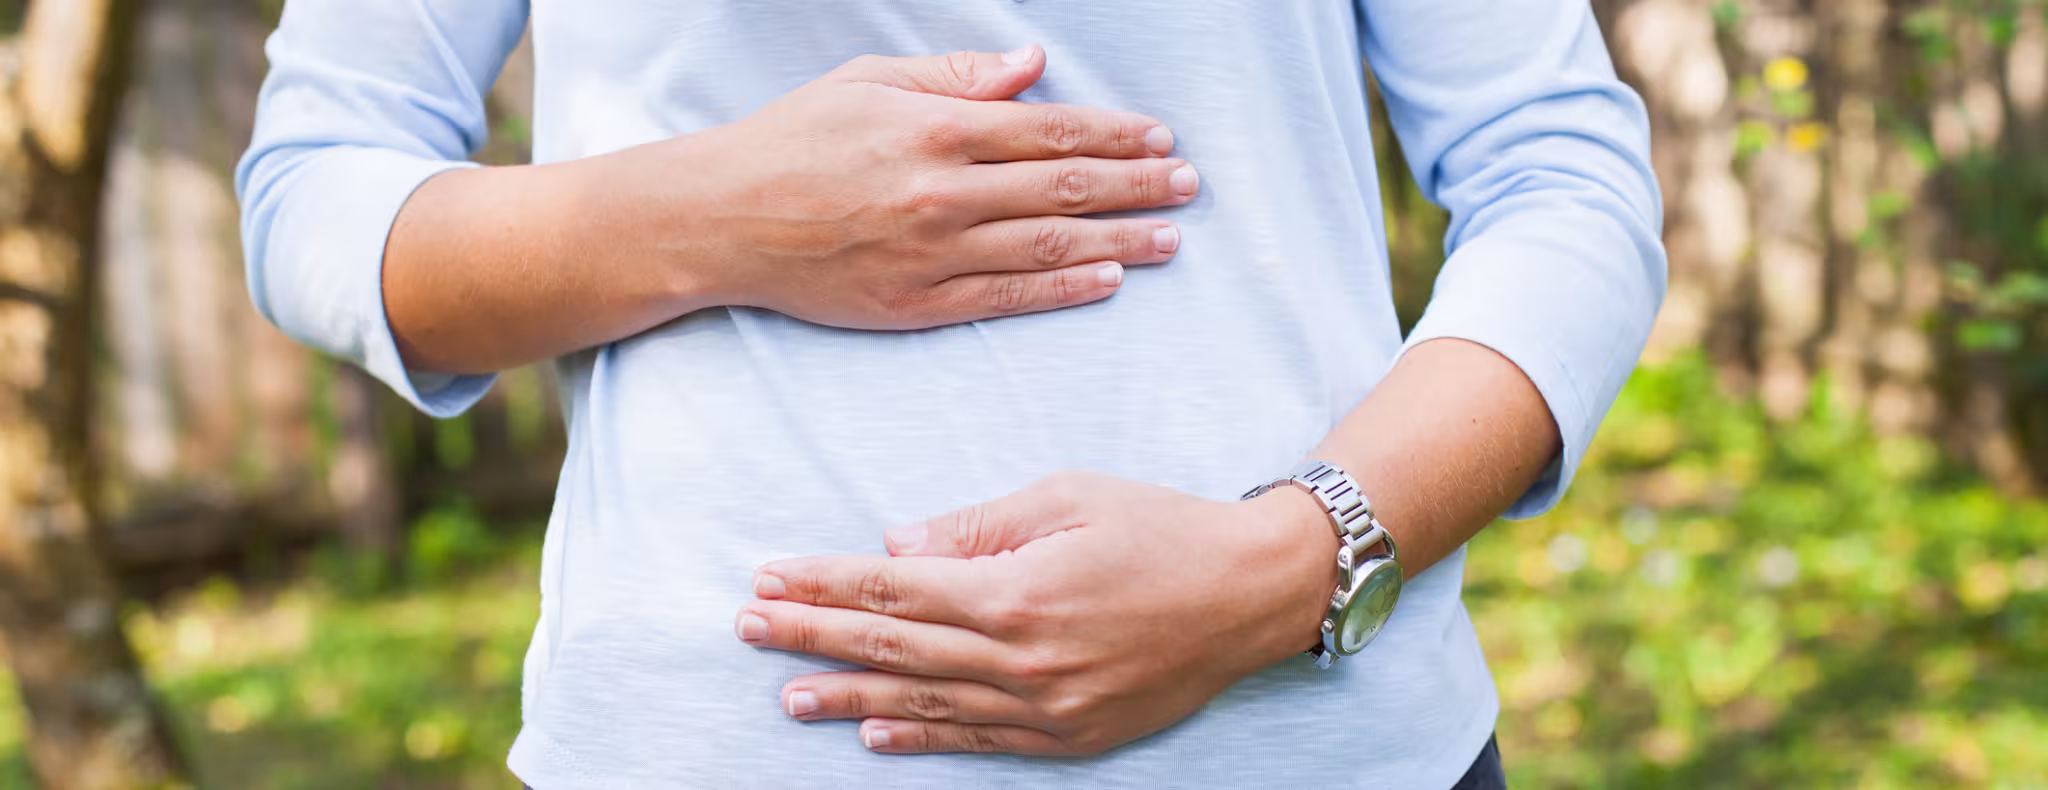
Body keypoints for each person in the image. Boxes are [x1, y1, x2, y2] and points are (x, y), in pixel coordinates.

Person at [237, 0, 1664, 786]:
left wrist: (1293, 561)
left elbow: (1560, 175)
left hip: (1325, 759)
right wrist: (719, 214)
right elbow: (314, 191)